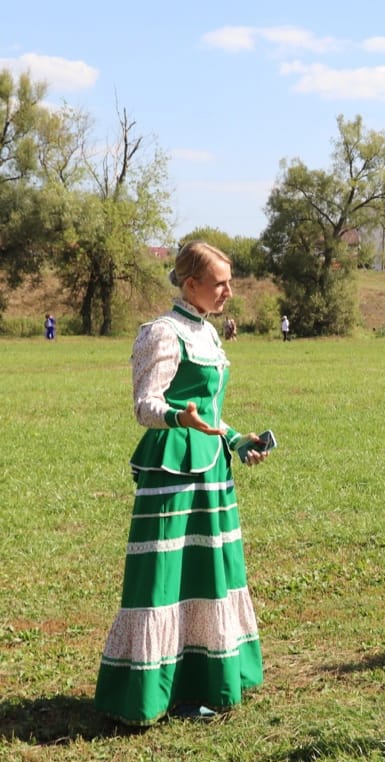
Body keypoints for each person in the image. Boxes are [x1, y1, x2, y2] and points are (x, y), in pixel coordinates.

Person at [94, 241, 270, 725]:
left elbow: (209, 412)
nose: (229, 291)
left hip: (212, 472)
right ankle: (147, 692)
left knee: (210, 573)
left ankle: (203, 684)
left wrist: (236, 439)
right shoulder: (162, 333)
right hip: (172, 474)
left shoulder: (208, 333)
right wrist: (178, 417)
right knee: (163, 582)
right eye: (220, 283)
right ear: (189, 283)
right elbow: (145, 406)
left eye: (229, 282)